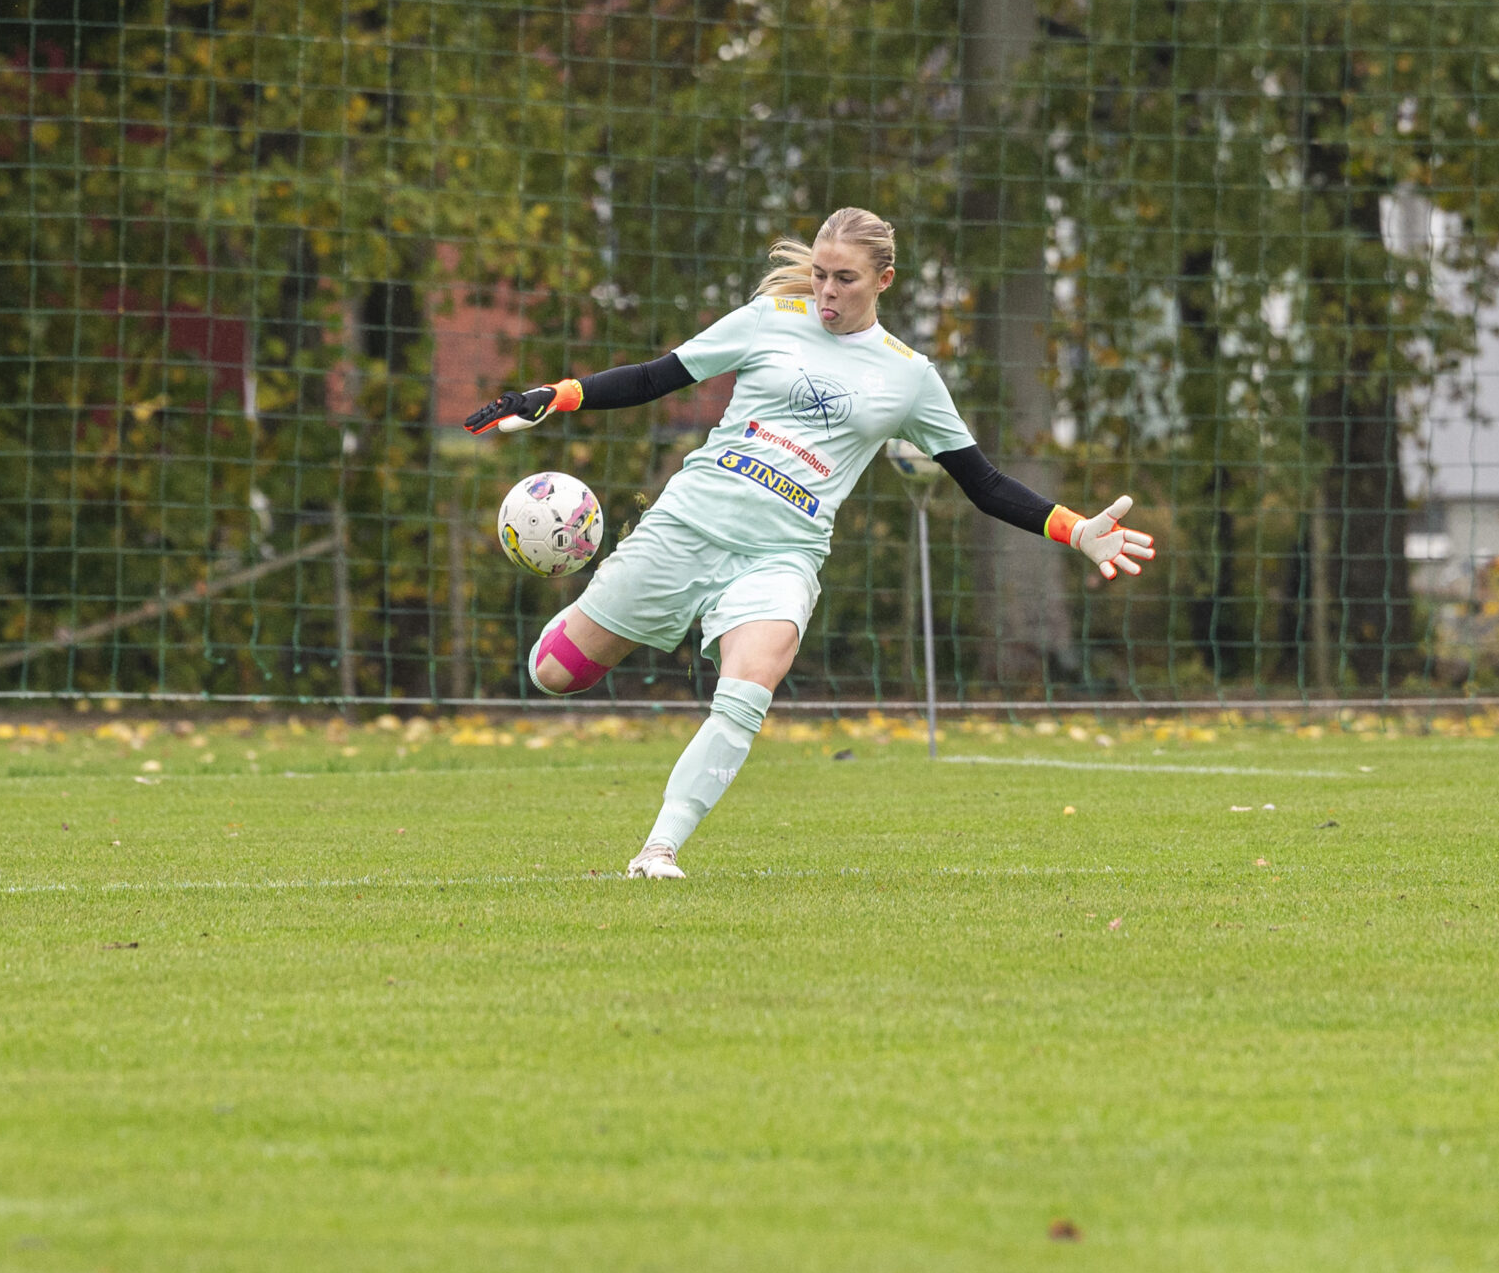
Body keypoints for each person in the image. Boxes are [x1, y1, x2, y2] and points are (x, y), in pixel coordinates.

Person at [464, 207, 1153, 879]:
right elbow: (658, 375)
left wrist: (1075, 528)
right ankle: (593, 577)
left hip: (781, 556)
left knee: (745, 690)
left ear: (885, 279)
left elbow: (984, 481)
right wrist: (555, 395)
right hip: (687, 524)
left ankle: (658, 850)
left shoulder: (909, 376)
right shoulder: (768, 320)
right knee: (553, 672)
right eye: (820, 274)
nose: (827, 291)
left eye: (845, 278)